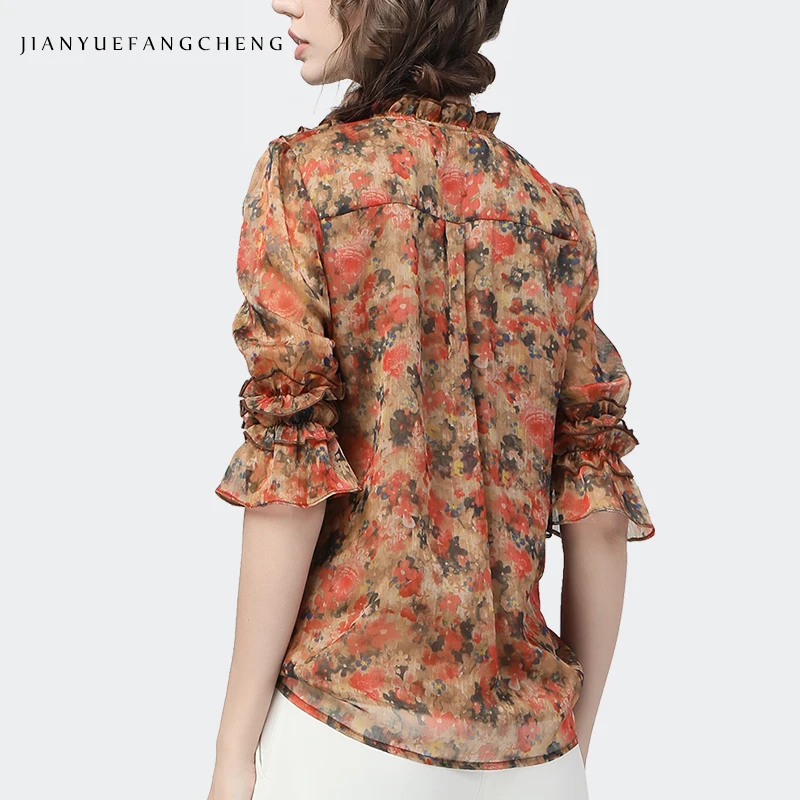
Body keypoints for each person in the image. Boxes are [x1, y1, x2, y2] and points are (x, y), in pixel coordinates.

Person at [207, 1, 655, 798]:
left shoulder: (308, 179)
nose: (282, 1)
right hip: (537, 761)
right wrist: (570, 750)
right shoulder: (552, 218)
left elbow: (290, 480)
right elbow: (601, 519)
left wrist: (233, 751)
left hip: (344, 736)